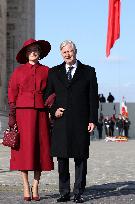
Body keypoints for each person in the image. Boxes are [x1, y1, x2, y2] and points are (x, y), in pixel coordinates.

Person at [44, 40, 98, 203]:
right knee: (62, 158)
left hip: (81, 122)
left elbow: (93, 99)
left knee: (80, 157)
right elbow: (47, 96)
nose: (68, 54)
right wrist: (54, 111)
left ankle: (79, 192)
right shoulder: (54, 72)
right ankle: (64, 192)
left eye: (70, 51)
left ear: (76, 51)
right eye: (64, 52)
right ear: (61, 53)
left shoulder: (88, 71)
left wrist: (92, 120)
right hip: (61, 122)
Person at [8, 38, 54, 201]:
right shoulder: (18, 72)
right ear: (26, 54)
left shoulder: (47, 71)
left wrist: (50, 100)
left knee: (39, 149)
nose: (34, 52)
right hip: (22, 114)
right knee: (24, 151)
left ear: (39, 53)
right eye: (30, 50)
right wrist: (12, 116)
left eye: (36, 49)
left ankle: (35, 185)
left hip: (41, 113)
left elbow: (54, 89)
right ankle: (26, 186)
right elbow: (12, 93)